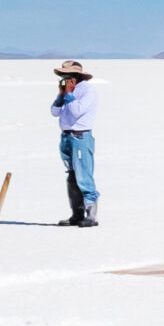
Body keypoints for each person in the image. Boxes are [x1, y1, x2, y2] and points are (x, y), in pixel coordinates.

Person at [50, 59, 99, 227]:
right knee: (71, 176)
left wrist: (69, 94)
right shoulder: (67, 91)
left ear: (76, 76)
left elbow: (77, 110)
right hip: (66, 137)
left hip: (80, 137)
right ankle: (76, 214)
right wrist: (60, 97)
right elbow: (54, 112)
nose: (64, 78)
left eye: (67, 75)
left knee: (84, 175)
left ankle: (91, 216)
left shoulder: (87, 91)